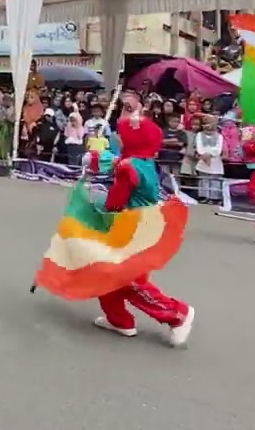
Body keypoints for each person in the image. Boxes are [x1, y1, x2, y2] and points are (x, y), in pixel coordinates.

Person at [89, 92, 195, 346]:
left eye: (123, 134)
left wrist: (94, 198)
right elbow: (112, 162)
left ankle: (176, 313)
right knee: (108, 274)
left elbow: (115, 201)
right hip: (141, 226)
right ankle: (119, 319)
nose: (119, 136)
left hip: (133, 228)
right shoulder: (142, 162)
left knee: (127, 279)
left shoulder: (129, 168)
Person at [193, 115, 224, 203]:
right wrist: (204, 154)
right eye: (206, 123)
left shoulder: (219, 136)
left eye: (210, 123)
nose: (208, 125)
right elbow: (199, 148)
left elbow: (218, 150)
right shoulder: (199, 135)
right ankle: (204, 196)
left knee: (215, 180)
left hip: (215, 162)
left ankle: (214, 198)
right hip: (203, 160)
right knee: (203, 179)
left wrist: (209, 153)